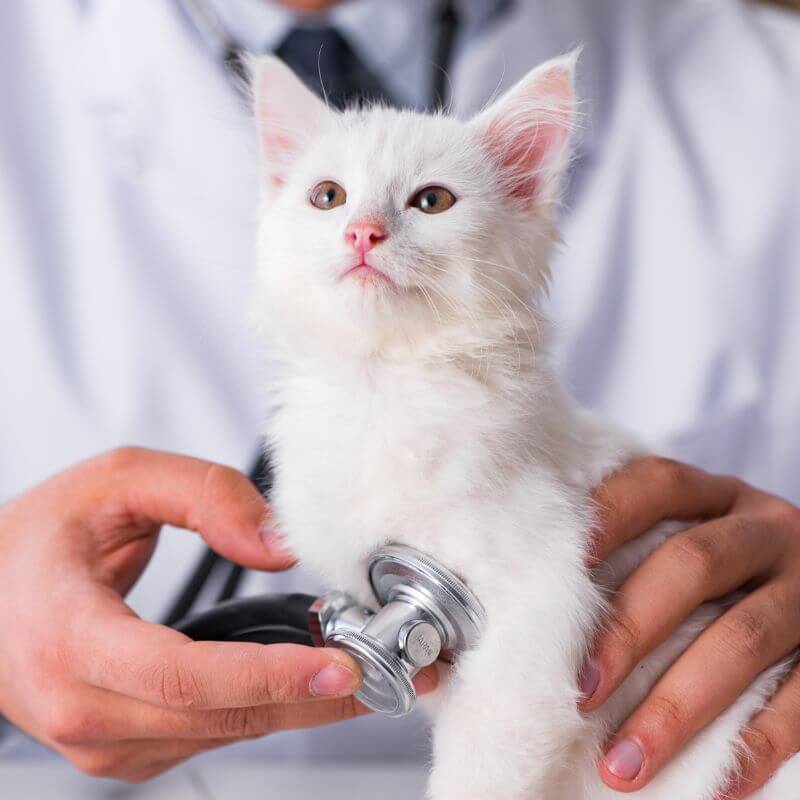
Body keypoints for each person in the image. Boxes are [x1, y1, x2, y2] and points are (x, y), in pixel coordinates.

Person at [0, 0, 798, 796]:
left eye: (430, 200)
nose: (365, 230)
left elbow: (531, 654)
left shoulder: (770, 88)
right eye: (325, 198)